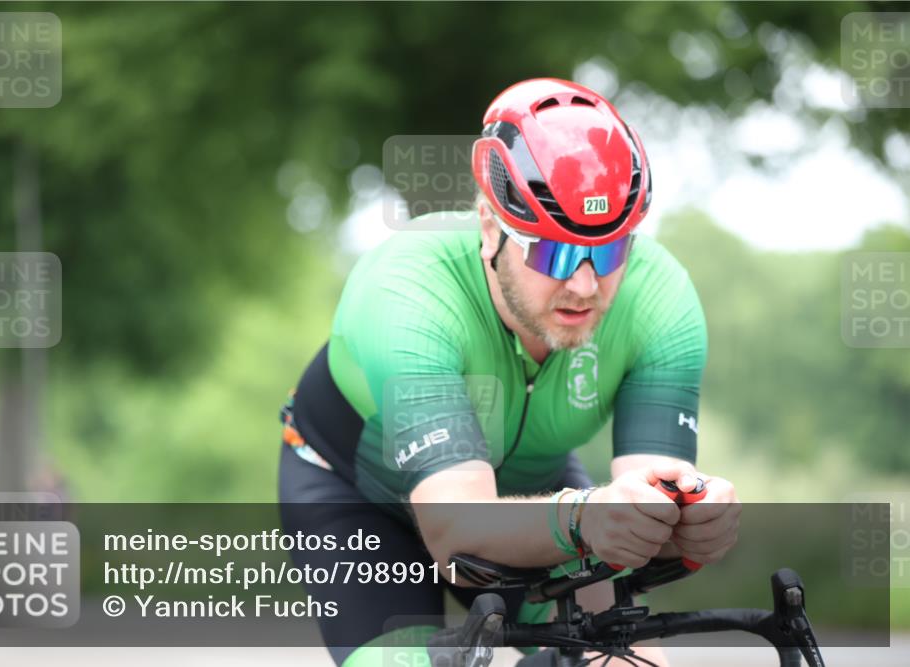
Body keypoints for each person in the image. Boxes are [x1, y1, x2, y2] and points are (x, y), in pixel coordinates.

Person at [278, 78, 741, 667]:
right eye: (555, 253)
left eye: (609, 251)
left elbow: (646, 499)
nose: (584, 285)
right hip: (357, 496)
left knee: (627, 662)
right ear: (491, 228)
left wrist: (690, 518)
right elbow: (455, 526)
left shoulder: (661, 300)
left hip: (535, 491)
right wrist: (583, 517)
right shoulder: (407, 290)